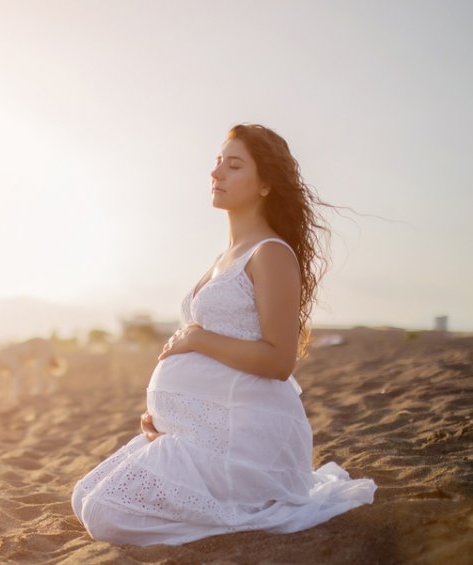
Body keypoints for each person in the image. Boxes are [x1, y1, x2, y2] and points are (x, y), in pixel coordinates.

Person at [71, 124, 376, 546]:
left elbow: (278, 360)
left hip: (247, 443)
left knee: (105, 515)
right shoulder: (224, 257)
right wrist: (169, 417)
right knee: (82, 497)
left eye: (234, 166)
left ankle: (246, 515)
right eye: (217, 163)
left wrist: (196, 340)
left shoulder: (270, 253)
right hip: (203, 431)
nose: (216, 174)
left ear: (266, 184)